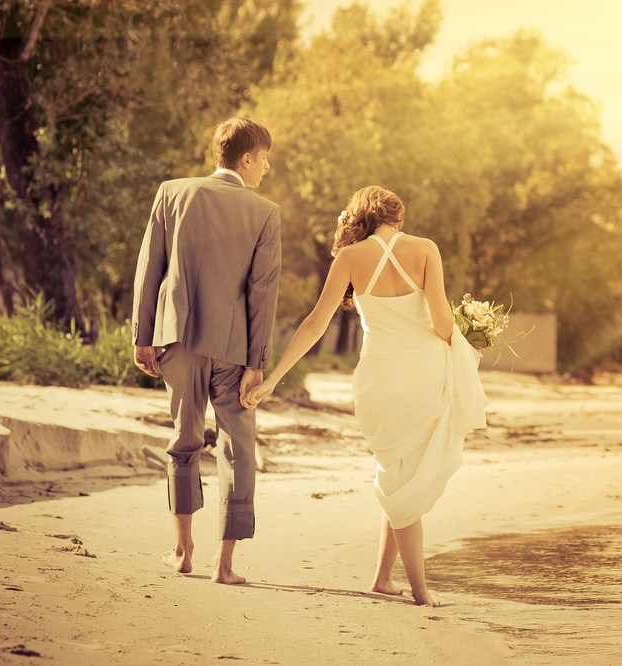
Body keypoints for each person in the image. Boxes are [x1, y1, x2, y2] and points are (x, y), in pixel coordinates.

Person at [243, 186, 486, 607]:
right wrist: (469, 343)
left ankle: (380, 578)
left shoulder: (349, 258)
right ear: (397, 217)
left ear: (360, 219)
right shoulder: (425, 249)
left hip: (378, 377)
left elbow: (315, 323)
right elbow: (444, 321)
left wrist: (272, 380)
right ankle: (420, 591)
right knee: (404, 479)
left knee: (397, 473)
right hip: (424, 374)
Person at [131, 117, 281, 585]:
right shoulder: (265, 212)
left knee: (184, 441)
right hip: (235, 351)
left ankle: (182, 551)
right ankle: (225, 565)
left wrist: (142, 335)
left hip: (177, 340)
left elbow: (149, 268)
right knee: (237, 450)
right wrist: (258, 363)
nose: (268, 168)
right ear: (246, 158)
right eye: (265, 158)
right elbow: (263, 294)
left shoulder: (171, 193)